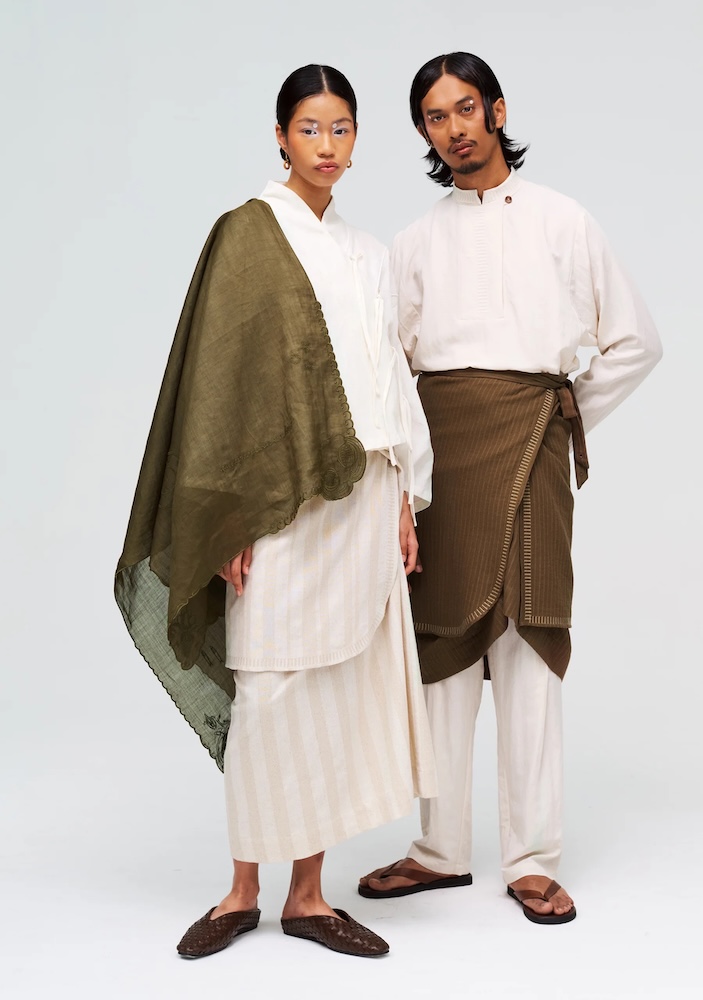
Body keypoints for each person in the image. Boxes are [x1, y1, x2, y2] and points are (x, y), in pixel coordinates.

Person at [115, 64, 437, 959]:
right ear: (280, 135)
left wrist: (404, 497)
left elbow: (390, 376)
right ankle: (240, 891)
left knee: (336, 690)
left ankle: (307, 895)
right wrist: (228, 517)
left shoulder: (369, 253)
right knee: (268, 690)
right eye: (309, 129)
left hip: (363, 498)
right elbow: (223, 389)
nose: (326, 146)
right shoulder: (247, 234)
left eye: (341, 129)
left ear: (356, 139)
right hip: (278, 504)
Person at [358, 52, 662, 924]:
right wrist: (402, 479)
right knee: (441, 651)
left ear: (496, 110)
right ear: (424, 133)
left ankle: (532, 859)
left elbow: (635, 340)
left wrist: (561, 421)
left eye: (465, 109)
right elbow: (390, 375)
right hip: (439, 460)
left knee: (529, 641)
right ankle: (438, 850)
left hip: (533, 449)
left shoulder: (564, 220)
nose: (453, 129)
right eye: (434, 117)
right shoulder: (414, 242)